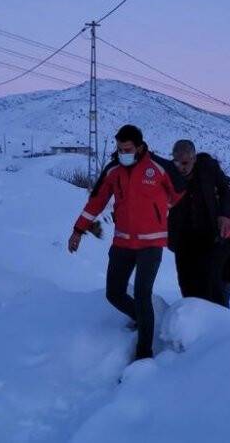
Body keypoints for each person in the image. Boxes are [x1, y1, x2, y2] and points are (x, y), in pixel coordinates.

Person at [67, 124, 182, 361]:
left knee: (142, 294)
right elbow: (96, 202)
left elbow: (179, 190)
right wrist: (78, 230)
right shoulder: (113, 170)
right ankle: (142, 319)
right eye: (119, 149)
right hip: (122, 243)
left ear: (139, 147)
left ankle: (144, 355)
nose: (123, 153)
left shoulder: (159, 167)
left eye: (127, 149)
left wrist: (161, 209)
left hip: (151, 244)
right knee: (114, 293)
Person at [167, 139, 230, 307]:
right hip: (182, 238)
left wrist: (225, 214)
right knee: (186, 285)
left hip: (209, 235)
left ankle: (219, 322)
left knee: (212, 285)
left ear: (194, 159)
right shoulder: (169, 172)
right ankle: (192, 322)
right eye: (176, 161)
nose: (180, 167)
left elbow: (227, 188)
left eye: (184, 163)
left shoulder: (207, 167)